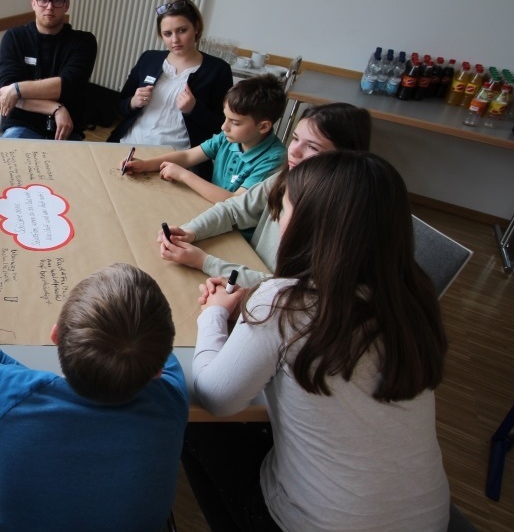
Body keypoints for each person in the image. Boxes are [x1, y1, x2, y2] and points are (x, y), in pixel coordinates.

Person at [184, 151, 450, 531]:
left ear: (312, 226)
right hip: (428, 520)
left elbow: (214, 397)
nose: (277, 219)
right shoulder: (412, 299)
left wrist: (212, 314)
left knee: (193, 425)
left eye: (284, 210)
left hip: (313, 522)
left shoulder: (284, 302)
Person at [0, 263, 188, 532]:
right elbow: (165, 357)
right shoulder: (171, 400)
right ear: (157, 372)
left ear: (55, 335)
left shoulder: (12, 397)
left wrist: (30, 382)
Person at [159, 103, 372, 288]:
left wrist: (205, 262)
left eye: (312, 147)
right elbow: (234, 209)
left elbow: (287, 288)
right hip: (248, 271)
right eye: (295, 138)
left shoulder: (338, 219)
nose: (294, 151)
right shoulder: (285, 177)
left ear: (346, 157)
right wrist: (191, 231)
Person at [107, 0, 233, 180]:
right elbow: (117, 107)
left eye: (182, 30)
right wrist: (132, 102)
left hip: (176, 157)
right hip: (130, 145)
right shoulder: (149, 59)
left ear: (196, 27)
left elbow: (222, 126)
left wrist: (194, 109)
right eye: (167, 34)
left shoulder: (218, 70)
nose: (175, 40)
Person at [123, 75, 287, 204]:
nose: (224, 127)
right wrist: (145, 165)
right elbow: (187, 156)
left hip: (237, 228)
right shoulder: (228, 137)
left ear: (263, 127)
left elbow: (235, 202)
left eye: (235, 122)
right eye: (226, 118)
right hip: (212, 208)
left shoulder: (275, 159)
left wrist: (184, 175)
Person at [0, 0, 98, 140]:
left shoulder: (84, 42)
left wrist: (18, 89)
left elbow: (68, 86)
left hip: (67, 130)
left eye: (57, 0)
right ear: (33, 3)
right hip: (22, 125)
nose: (49, 7)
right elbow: (7, 91)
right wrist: (55, 108)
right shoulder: (14, 38)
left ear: (66, 5)